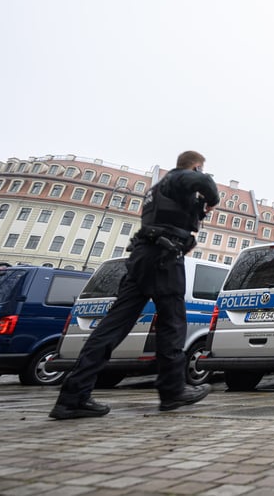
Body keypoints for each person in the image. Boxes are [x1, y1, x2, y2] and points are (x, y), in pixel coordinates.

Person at [49, 151, 221, 419]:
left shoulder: (158, 190)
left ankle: (73, 396)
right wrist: (211, 199)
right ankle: (172, 392)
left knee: (111, 328)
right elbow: (208, 185)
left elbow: (173, 215)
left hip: (141, 258)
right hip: (164, 259)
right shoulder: (180, 178)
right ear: (196, 167)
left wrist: (198, 209)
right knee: (173, 325)